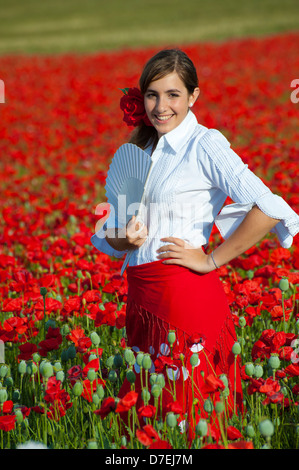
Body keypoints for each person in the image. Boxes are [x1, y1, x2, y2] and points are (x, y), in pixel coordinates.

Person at [91, 49, 299, 439]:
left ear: (193, 96)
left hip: (185, 298)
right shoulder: (141, 150)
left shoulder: (205, 145)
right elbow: (111, 236)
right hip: (141, 299)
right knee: (150, 425)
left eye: (172, 94)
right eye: (152, 94)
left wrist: (211, 260)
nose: (161, 106)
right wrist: (126, 237)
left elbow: (270, 207)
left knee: (191, 418)